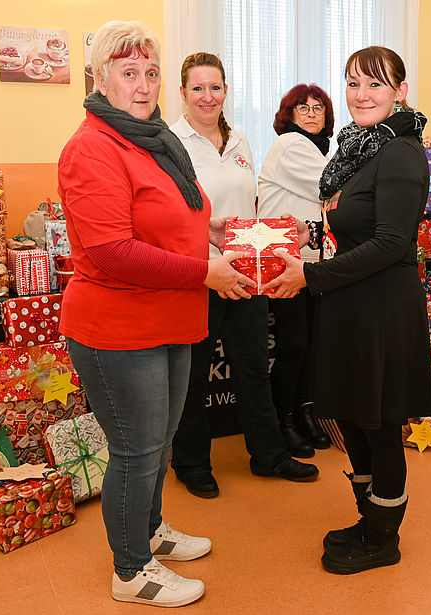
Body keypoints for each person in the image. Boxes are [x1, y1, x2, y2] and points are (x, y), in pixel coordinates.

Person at [58, 21, 255, 607]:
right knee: (136, 449)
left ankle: (149, 530)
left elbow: (167, 218)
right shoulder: (91, 147)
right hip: (118, 328)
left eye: (149, 73)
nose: (143, 86)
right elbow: (111, 251)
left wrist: (213, 229)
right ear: (99, 79)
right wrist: (205, 271)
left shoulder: (147, 139)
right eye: (128, 73)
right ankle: (131, 570)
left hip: (166, 319)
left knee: (160, 440)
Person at [266, 46, 431, 574]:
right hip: (349, 301)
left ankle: (384, 537)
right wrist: (305, 244)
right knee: (354, 419)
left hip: (380, 309)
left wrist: (309, 274)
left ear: (400, 91)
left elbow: (391, 243)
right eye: (353, 83)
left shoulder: (402, 153)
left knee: (380, 425)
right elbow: (352, 229)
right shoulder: (357, 149)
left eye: (376, 84)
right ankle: (368, 518)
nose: (362, 95)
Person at [170, 52, 319, 499]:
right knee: (194, 375)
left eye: (215, 87)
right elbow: (172, 217)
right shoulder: (170, 144)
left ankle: (268, 455)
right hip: (201, 275)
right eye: (198, 88)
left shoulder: (240, 142)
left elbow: (248, 206)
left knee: (254, 368)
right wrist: (204, 257)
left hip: (246, 272)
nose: (207, 96)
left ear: (225, 92)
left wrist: (279, 233)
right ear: (182, 93)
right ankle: (192, 462)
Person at [257, 83, 335, 455]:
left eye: (318, 108)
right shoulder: (290, 145)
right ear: (287, 115)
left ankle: (303, 414)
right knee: (295, 345)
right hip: (282, 263)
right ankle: (281, 420)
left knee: (312, 345)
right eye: (301, 108)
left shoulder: (316, 150)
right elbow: (332, 186)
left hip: (309, 263)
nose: (311, 114)